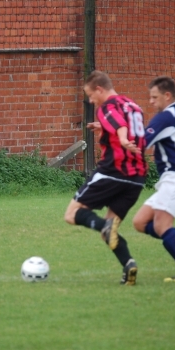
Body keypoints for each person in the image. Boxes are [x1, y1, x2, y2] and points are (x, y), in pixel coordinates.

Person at [64, 70, 148, 285]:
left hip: (113, 171)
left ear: (100, 89)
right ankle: (128, 265)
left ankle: (104, 226)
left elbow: (120, 125)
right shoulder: (133, 106)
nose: (92, 101)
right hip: (136, 178)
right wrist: (105, 128)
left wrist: (120, 137)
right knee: (109, 230)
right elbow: (126, 124)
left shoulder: (108, 106)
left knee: (73, 214)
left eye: (91, 96)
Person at [132, 76, 175, 282]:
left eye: (154, 97)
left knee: (162, 226)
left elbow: (141, 144)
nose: (151, 102)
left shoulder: (164, 117)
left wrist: (112, 135)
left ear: (167, 95)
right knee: (140, 222)